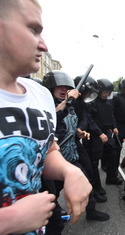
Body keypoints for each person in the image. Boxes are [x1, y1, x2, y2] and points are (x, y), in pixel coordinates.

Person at [0, 0, 91, 234]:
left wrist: (69, 171)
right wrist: (7, 221)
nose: (43, 45)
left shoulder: (39, 95)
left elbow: (46, 149)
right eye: (33, 29)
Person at [42, 71, 110, 224]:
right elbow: (52, 120)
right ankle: (53, 217)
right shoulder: (45, 107)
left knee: (86, 179)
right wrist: (66, 101)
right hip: (55, 158)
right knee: (53, 191)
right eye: (60, 87)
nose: (64, 90)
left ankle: (91, 211)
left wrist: (79, 132)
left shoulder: (71, 106)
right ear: (51, 87)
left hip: (73, 151)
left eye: (67, 87)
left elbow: (72, 124)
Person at [87, 78, 123, 186]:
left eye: (108, 92)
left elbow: (111, 116)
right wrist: (99, 133)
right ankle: (96, 186)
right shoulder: (92, 103)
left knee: (112, 153)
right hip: (95, 134)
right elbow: (90, 120)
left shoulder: (108, 102)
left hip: (107, 132)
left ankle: (111, 178)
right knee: (95, 160)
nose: (106, 94)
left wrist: (114, 127)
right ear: (98, 91)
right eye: (105, 92)